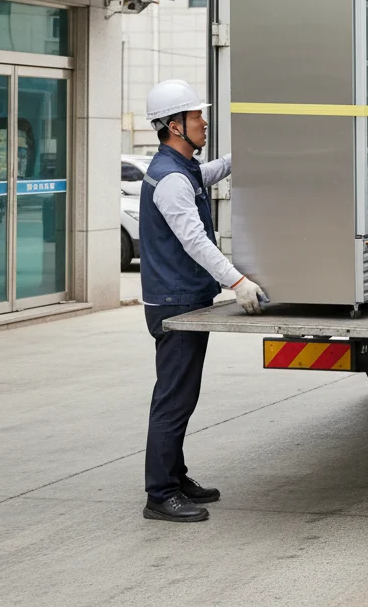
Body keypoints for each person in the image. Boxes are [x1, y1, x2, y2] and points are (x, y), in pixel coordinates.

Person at [140, 79, 267, 523]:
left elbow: (209, 172)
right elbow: (194, 239)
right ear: (174, 125)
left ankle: (174, 476)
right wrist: (238, 282)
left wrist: (243, 156)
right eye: (197, 117)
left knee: (182, 394)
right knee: (174, 399)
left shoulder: (182, 167)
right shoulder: (171, 180)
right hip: (174, 304)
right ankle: (160, 493)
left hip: (183, 297)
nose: (204, 122)